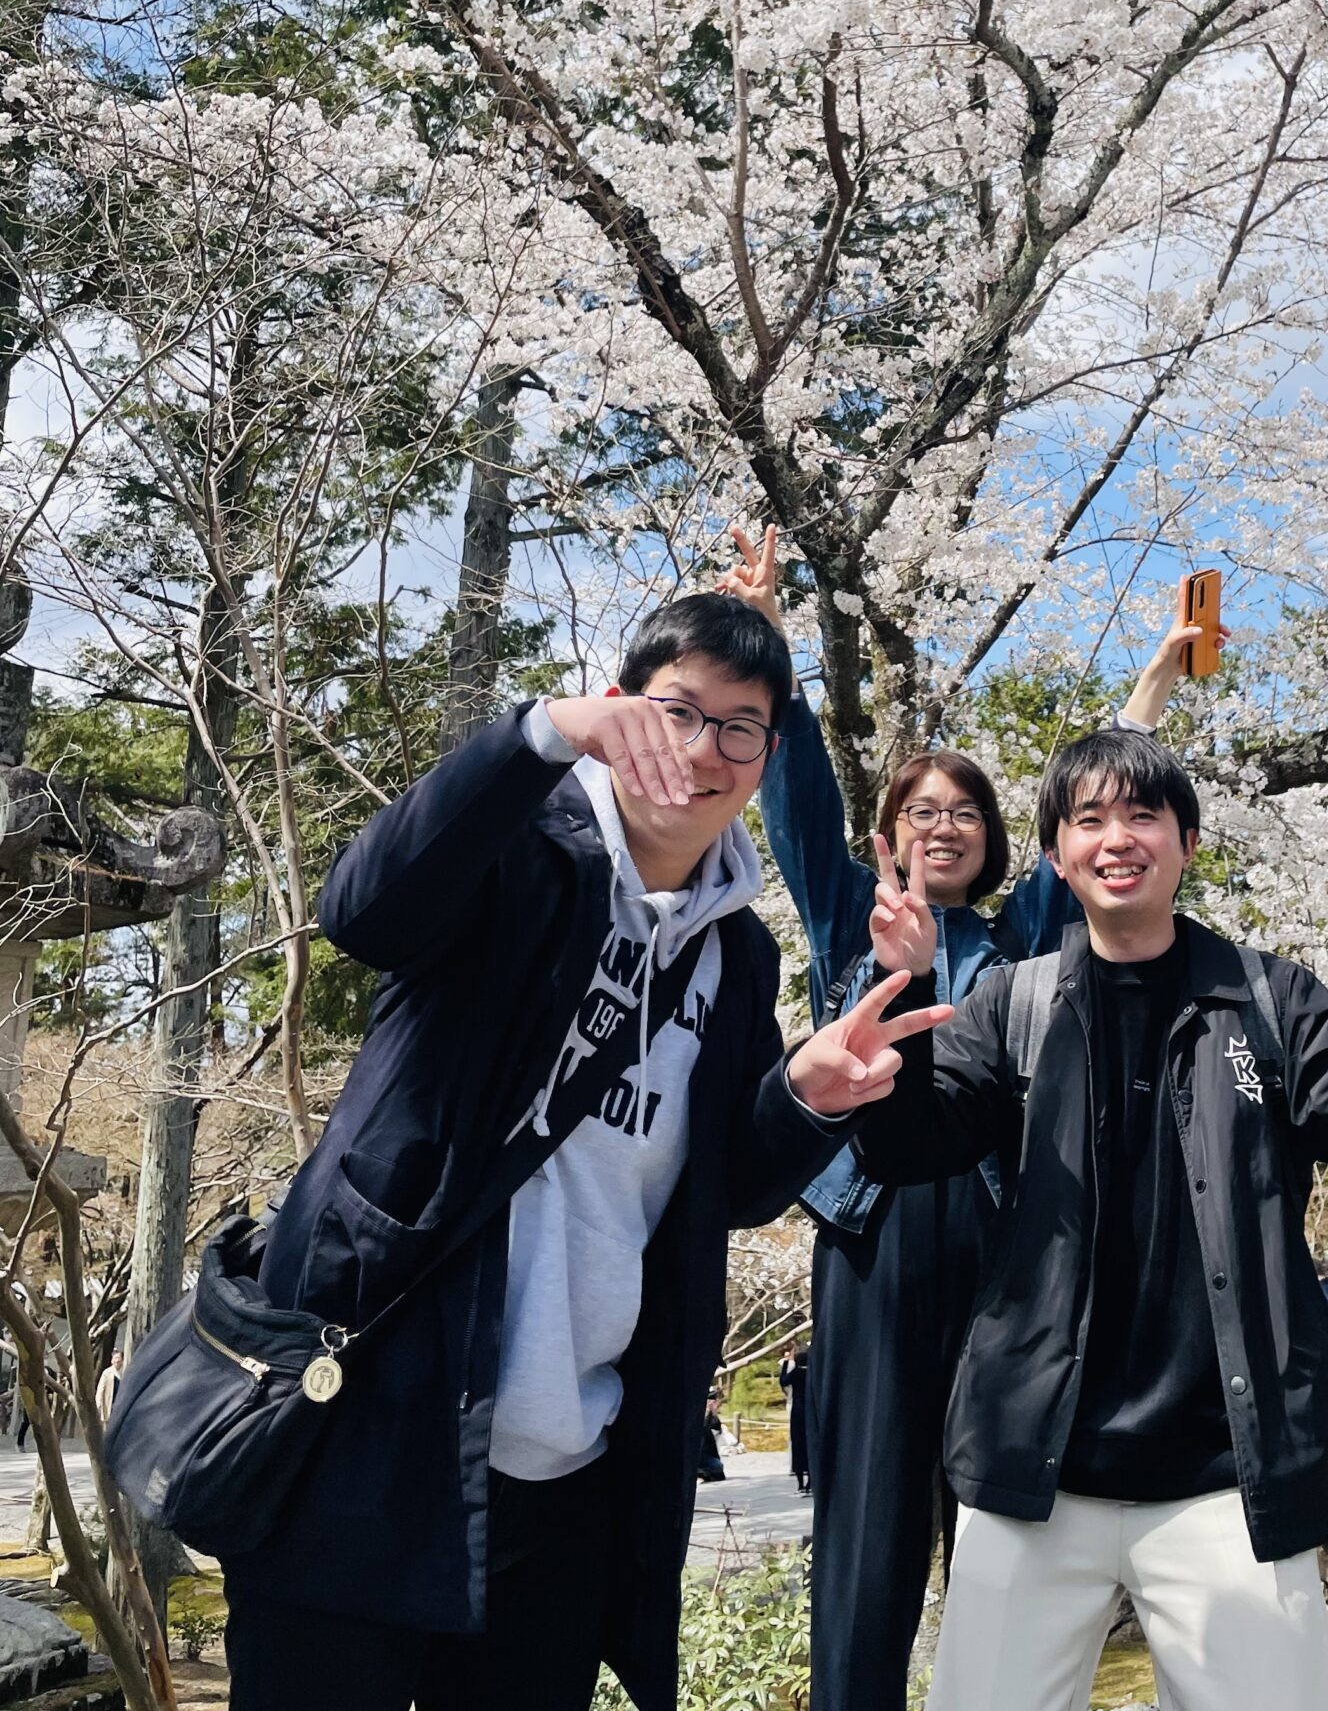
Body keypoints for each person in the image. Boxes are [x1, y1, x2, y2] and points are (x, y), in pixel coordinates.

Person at [202, 590, 948, 1711]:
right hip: (375, 1431)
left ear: (765, 757)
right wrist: (539, 734)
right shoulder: (516, 849)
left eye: (740, 728)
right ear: (618, 705)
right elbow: (362, 913)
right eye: (677, 711)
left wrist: (805, 1094)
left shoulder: (736, 957)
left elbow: (727, 1189)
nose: (702, 750)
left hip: (567, 1470)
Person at [853, 728, 1328, 1711]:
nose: (1117, 838)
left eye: (1144, 815)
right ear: (1056, 855)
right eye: (1089, 819)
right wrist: (908, 987)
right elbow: (905, 1147)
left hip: (1226, 1476)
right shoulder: (1015, 1005)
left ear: (1187, 842)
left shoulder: (1269, 999)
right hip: (1035, 1469)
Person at [722, 527, 1204, 1711]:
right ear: (889, 834)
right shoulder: (846, 910)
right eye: (922, 811)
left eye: (967, 815)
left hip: (1000, 1231)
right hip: (874, 1233)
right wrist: (770, 633)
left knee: (999, 1514)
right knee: (868, 1514)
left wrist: (1156, 679)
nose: (944, 826)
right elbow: (793, 791)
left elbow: (1100, 813)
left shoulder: (1020, 934)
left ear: (993, 843)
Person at [779, 1345, 812, 1493]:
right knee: (810, 1444)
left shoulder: (796, 1372)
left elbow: (783, 1381)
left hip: (797, 1409)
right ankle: (810, 1482)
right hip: (811, 1409)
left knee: (797, 1444)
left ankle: (800, 1483)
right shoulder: (812, 1373)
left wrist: (786, 1363)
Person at [698, 1391, 728, 1486]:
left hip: (708, 1455)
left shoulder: (712, 1417)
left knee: (717, 1467)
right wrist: (706, 1411)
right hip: (697, 1455)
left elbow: (716, 1428)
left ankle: (703, 1473)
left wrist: (713, 1412)